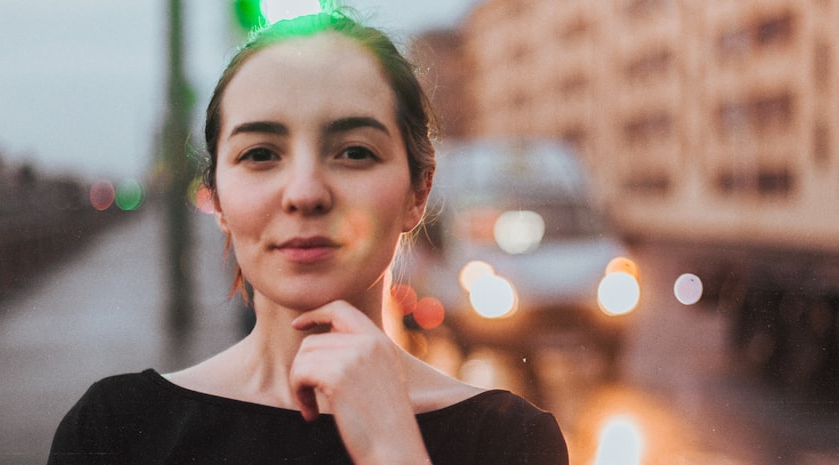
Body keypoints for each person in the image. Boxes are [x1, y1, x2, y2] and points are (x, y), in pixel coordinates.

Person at [47, 7, 569, 465]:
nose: (304, 192)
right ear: (219, 200)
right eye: (261, 154)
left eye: (354, 151)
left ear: (418, 191)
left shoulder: (509, 440)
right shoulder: (115, 431)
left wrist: (393, 448)